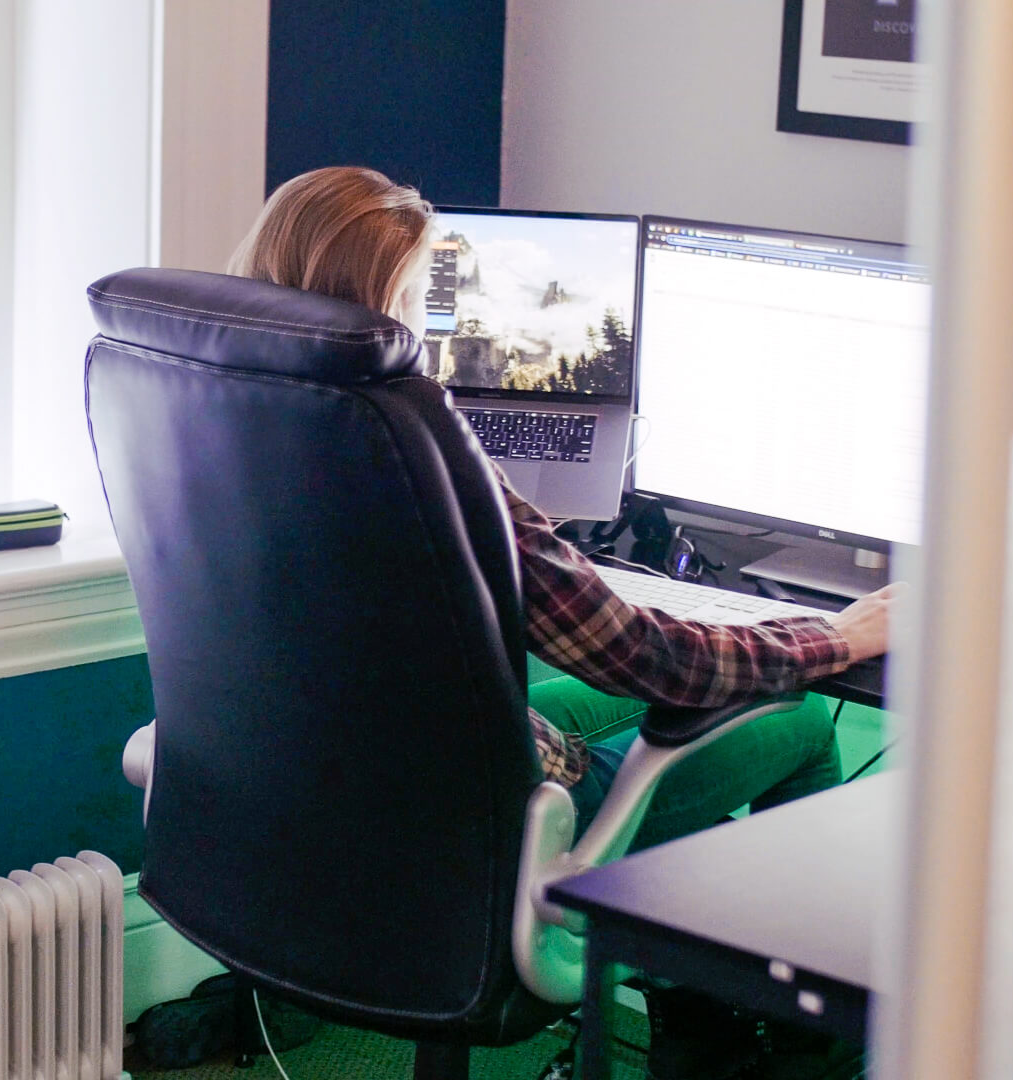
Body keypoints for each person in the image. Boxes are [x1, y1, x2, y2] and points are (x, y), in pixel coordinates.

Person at [227, 166, 894, 1080]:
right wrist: (836, 639)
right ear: (376, 306)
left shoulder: (218, 419)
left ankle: (701, 1022)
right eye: (422, 295)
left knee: (586, 697)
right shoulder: (423, 450)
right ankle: (760, 1052)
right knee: (805, 719)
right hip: (483, 826)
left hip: (328, 786)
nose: (435, 323)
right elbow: (644, 656)